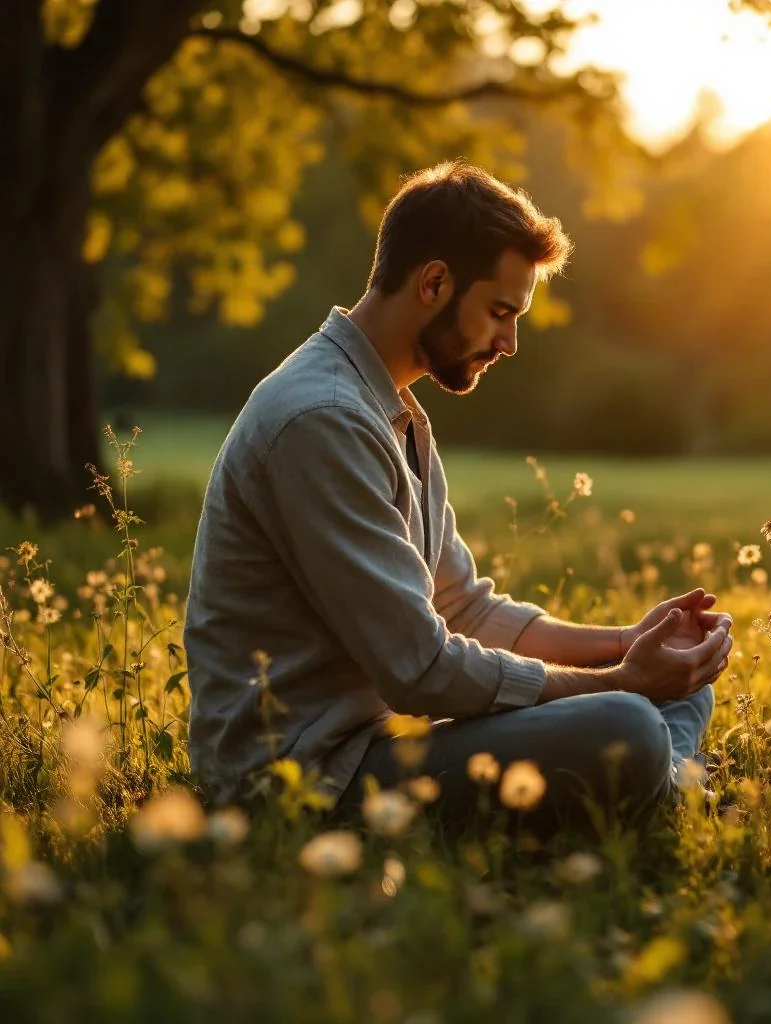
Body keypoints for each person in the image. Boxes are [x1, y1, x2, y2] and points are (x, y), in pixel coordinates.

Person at [184, 160, 733, 839]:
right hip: (311, 779)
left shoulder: (392, 411)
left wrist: (627, 645)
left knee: (675, 685)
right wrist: (624, 681)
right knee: (629, 721)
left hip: (390, 742)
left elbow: (465, 607)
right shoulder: (321, 419)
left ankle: (662, 782)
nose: (509, 342)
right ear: (434, 282)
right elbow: (422, 672)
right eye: (500, 312)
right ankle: (670, 784)